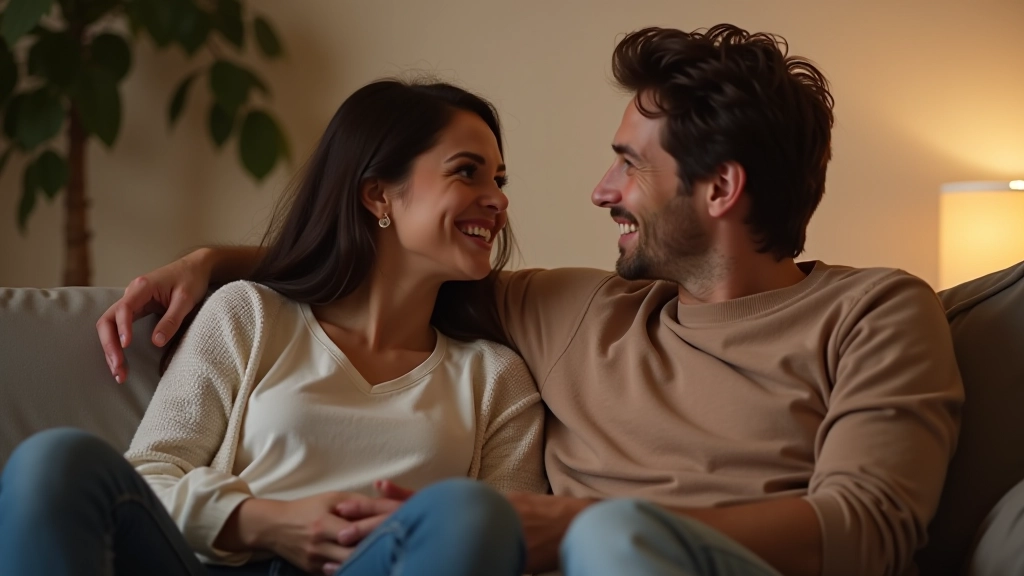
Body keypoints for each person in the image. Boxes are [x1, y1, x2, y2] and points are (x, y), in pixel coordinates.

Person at [92, 24, 964, 576]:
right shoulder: (579, 311)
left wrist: (585, 522)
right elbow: (394, 258)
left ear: (720, 188)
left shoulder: (874, 312)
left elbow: (868, 527)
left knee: (611, 543)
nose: (600, 191)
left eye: (629, 165)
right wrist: (213, 261)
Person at [0, 80, 550, 576]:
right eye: (467, 171)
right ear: (378, 193)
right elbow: (151, 473)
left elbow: (514, 543)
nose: (499, 200)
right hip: (218, 563)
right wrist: (263, 521)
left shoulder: (496, 379)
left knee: (476, 514)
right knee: (53, 463)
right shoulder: (250, 315)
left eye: (500, 180)